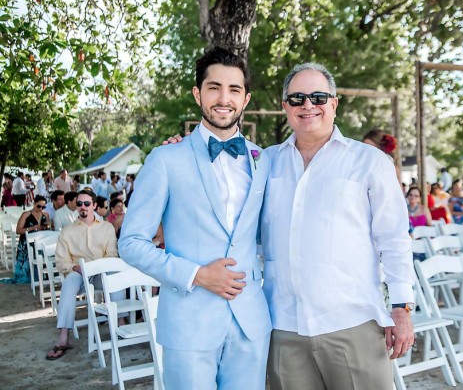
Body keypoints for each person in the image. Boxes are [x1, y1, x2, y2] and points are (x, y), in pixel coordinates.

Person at [119, 47, 272, 389]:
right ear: (197, 93)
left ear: (245, 98)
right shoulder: (165, 159)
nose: (223, 98)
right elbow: (130, 243)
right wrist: (198, 275)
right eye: (214, 87)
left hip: (251, 325)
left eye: (234, 90)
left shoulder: (265, 161)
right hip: (189, 323)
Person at [260, 63, 414, 390]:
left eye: (318, 96)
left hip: (352, 324)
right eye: (297, 98)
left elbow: (395, 240)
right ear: (285, 105)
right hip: (284, 327)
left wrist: (401, 308)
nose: (308, 105)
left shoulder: (370, 162)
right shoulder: (264, 161)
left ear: (334, 103)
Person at [45, 189, 125, 360]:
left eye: (87, 203)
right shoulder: (67, 231)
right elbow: (61, 261)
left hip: (100, 273)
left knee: (115, 273)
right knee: (69, 281)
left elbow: (111, 255)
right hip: (79, 273)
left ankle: (120, 323)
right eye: (80, 203)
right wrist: (75, 268)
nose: (83, 207)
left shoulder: (107, 227)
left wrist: (98, 266)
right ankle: (64, 337)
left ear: (94, 205)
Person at [0, 195, 50, 284]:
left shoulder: (45, 215)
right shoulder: (26, 215)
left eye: (43, 207)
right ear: (34, 204)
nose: (41, 209)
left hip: (40, 241)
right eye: (39, 206)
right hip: (26, 242)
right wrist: (32, 228)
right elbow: (18, 230)